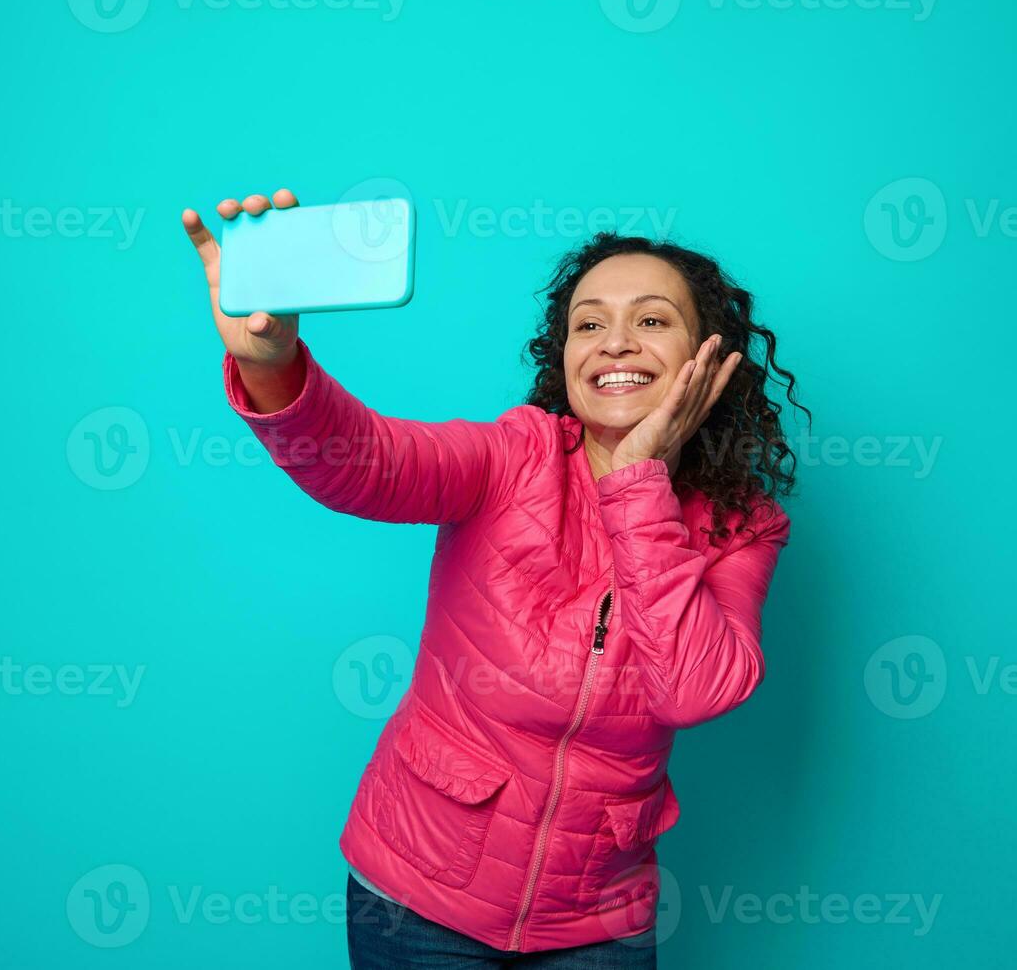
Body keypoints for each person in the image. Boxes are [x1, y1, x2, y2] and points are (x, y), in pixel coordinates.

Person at [181, 187, 805, 969]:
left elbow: (693, 689)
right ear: (563, 356)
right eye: (588, 324)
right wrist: (268, 365)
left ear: (707, 355)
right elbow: (363, 463)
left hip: (597, 919)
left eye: (650, 320)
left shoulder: (741, 526)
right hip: (418, 897)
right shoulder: (512, 457)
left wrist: (640, 479)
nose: (613, 343)